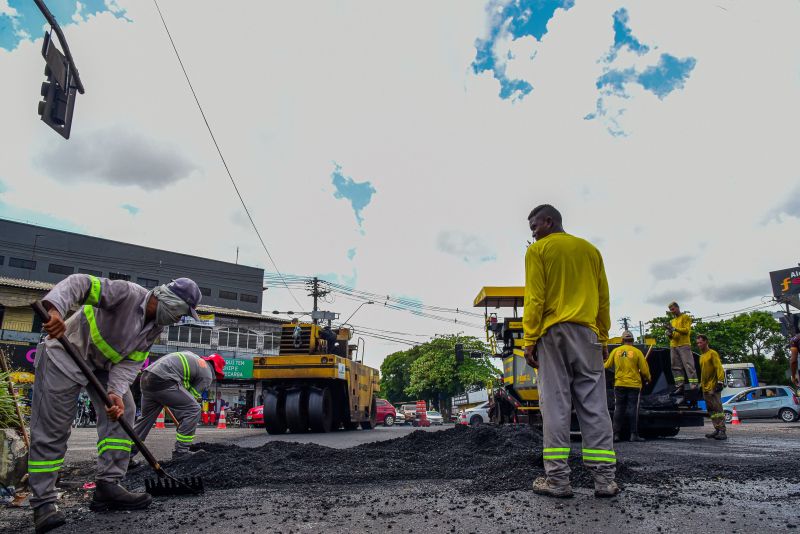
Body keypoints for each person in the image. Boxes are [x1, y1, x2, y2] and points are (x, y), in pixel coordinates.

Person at [30, 275, 202, 533]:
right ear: (171, 301)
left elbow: (131, 362)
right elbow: (79, 283)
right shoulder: (126, 293)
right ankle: (44, 503)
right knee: (53, 429)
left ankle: (108, 485)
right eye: (182, 313)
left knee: (125, 411)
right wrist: (55, 310)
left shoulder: (155, 328)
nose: (180, 319)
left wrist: (116, 393)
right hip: (66, 355)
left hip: (102, 369)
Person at [522, 204, 618, 499]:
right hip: (588, 333)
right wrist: (602, 337)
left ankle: (558, 480)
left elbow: (535, 298)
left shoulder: (538, 251)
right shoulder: (590, 251)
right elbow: (603, 299)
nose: (533, 234)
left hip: (553, 334)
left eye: (534, 227)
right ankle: (604, 480)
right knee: (595, 405)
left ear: (548, 221)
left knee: (555, 404)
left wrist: (530, 339)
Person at [129, 352, 225, 465]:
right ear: (216, 370)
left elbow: (181, 399)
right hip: (163, 380)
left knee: (144, 421)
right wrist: (185, 422)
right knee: (194, 409)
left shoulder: (195, 359)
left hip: (147, 377)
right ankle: (182, 451)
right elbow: (190, 400)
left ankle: (124, 457)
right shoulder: (207, 374)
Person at [604, 331, 651, 443]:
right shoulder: (637, 352)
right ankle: (633, 435)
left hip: (619, 384)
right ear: (633, 341)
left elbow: (606, 365)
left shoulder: (616, 351)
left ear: (622, 340)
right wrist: (648, 378)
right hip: (634, 385)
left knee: (619, 409)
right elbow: (644, 370)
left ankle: (615, 435)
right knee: (632, 409)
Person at [696, 335, 726, 440]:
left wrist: (720, 382)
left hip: (713, 387)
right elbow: (703, 373)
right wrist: (701, 385)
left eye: (701, 342)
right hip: (705, 388)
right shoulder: (701, 356)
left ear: (706, 342)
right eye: (698, 343)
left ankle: (722, 431)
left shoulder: (712, 353)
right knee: (711, 411)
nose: (699, 345)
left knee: (718, 409)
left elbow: (719, 368)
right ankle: (717, 429)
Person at [667, 302, 697, 393]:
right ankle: (680, 386)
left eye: (673, 309)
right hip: (673, 345)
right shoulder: (672, 321)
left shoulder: (685, 317)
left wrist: (674, 329)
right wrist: (669, 333)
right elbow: (672, 335)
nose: (672, 311)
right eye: (670, 310)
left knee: (689, 365)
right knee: (675, 366)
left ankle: (694, 385)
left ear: (677, 307)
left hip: (684, 344)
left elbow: (686, 330)